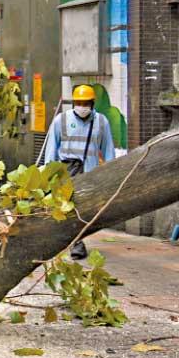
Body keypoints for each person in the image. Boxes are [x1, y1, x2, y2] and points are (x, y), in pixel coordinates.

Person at [40, 84, 116, 260]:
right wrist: (49, 174)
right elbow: (51, 148)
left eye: (86, 102)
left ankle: (76, 240)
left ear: (92, 103)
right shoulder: (61, 120)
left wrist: (111, 175)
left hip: (91, 174)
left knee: (84, 210)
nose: (82, 106)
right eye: (79, 102)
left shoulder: (101, 121)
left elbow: (108, 150)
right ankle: (77, 242)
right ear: (74, 102)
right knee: (70, 208)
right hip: (67, 173)